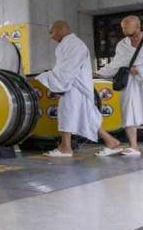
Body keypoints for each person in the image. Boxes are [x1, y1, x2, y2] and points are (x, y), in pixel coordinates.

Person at [95, 15, 143, 156]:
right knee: (129, 112)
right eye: (123, 27)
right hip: (129, 83)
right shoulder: (122, 44)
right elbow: (116, 64)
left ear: (137, 26)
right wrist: (99, 73)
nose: (124, 29)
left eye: (127, 26)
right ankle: (133, 146)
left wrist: (140, 70)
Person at [36, 21, 101, 157]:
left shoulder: (74, 45)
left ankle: (66, 148)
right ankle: (111, 142)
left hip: (74, 86)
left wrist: (51, 80)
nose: (51, 36)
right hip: (71, 85)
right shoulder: (68, 44)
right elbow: (63, 69)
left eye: (52, 32)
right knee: (83, 116)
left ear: (60, 29)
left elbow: (67, 70)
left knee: (68, 114)